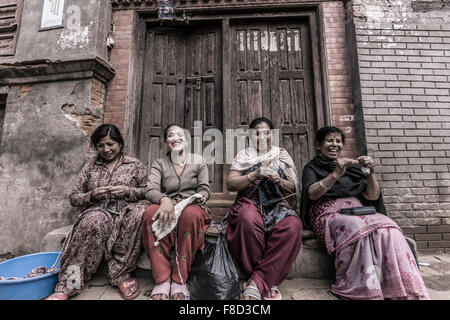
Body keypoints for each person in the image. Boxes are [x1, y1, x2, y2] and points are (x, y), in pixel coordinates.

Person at [300, 125, 430, 300]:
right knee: (356, 228)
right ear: (318, 145)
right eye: (330, 140)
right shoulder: (312, 168)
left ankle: (396, 285)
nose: (335, 144)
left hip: (358, 210)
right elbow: (312, 193)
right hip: (327, 213)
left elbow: (372, 195)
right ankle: (365, 287)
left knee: (390, 227)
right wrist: (336, 174)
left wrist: (370, 173)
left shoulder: (353, 168)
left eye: (338, 141)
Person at [45, 124, 148, 300]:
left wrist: (127, 190)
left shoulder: (135, 165)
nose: (106, 149)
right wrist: (91, 195)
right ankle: (69, 284)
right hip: (99, 213)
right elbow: (74, 197)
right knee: (94, 220)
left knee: (140, 213)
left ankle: (120, 274)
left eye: (110, 144)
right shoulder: (90, 167)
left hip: (127, 214)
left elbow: (148, 192)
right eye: (101, 145)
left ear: (120, 144)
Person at [219, 117, 303, 300]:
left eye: (266, 133)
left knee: (293, 225)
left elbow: (294, 187)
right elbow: (232, 184)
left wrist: (279, 180)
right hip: (250, 202)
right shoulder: (244, 155)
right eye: (257, 133)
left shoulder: (281, 155)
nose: (262, 137)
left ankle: (256, 282)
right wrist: (254, 174)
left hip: (276, 205)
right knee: (246, 220)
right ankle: (266, 280)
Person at [141, 124, 211, 300]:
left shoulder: (198, 161)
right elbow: (150, 190)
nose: (176, 138)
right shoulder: (160, 163)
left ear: (186, 141)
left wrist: (200, 196)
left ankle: (179, 278)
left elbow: (205, 189)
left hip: (191, 206)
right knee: (150, 213)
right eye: (171, 135)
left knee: (191, 215)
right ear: (166, 142)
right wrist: (164, 200)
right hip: (167, 205)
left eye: (180, 135)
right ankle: (162, 279)